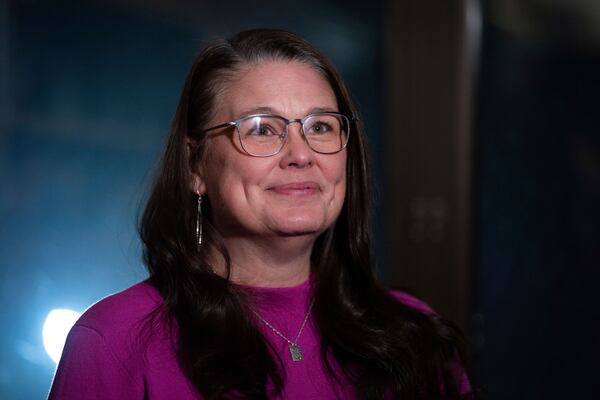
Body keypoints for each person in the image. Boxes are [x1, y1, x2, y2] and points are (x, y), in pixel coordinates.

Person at [48, 28, 473, 399]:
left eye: (320, 126)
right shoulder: (114, 341)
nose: (301, 155)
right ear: (195, 167)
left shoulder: (414, 333)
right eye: (261, 129)